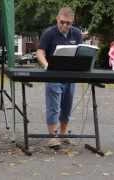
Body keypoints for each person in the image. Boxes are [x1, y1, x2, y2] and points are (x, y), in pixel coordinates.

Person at [36, 7, 82, 148]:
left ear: (72, 22)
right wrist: (46, 65)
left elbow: (80, 52)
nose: (64, 25)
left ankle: (63, 134)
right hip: (53, 75)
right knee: (53, 107)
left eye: (68, 23)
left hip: (70, 75)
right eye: (62, 22)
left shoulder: (77, 33)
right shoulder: (49, 33)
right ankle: (52, 136)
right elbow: (40, 52)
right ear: (57, 19)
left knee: (67, 107)